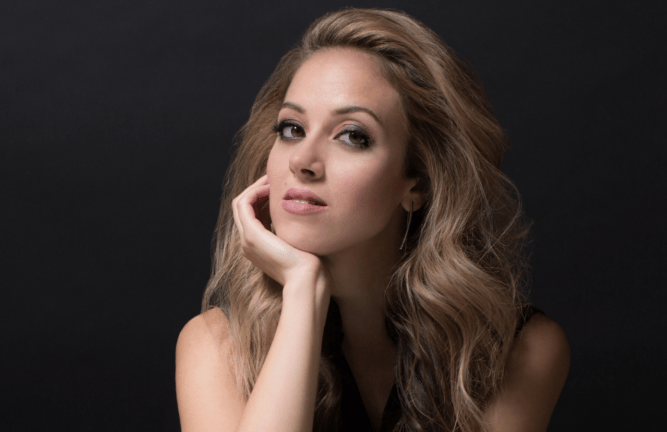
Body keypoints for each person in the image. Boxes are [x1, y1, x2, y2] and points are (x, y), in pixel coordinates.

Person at [176, 7, 570, 432]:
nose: (303, 161)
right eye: (292, 129)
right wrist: (302, 292)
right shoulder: (216, 346)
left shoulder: (521, 350)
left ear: (415, 183)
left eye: (353, 136)